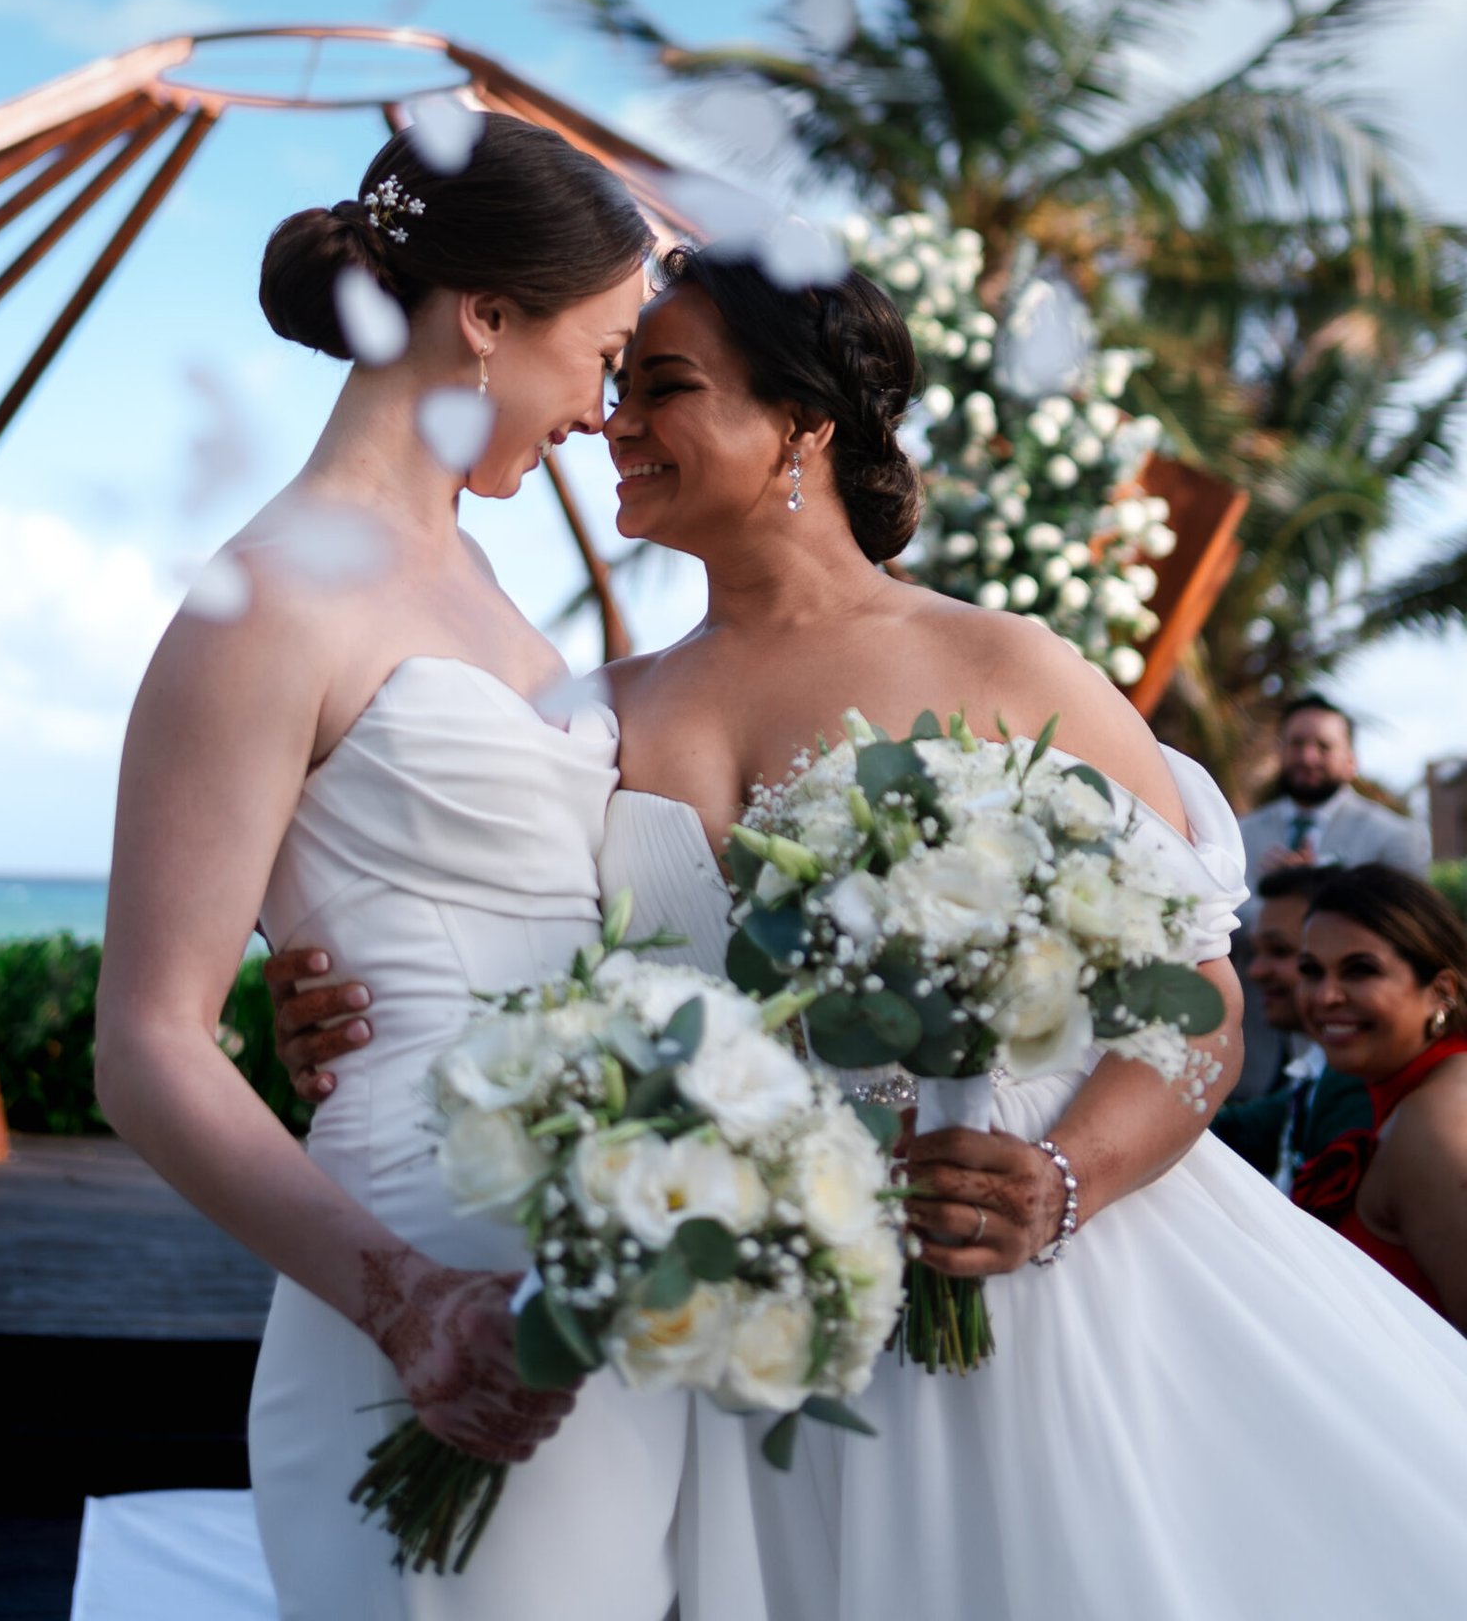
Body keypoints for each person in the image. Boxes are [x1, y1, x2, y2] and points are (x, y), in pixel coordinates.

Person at [280, 243, 1467, 1621]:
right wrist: (349, 1001)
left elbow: (1198, 996)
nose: (612, 421)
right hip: (762, 1319)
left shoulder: (1006, 666)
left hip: (1042, 1294)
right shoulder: (591, 715)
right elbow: (514, 947)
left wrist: (1062, 1179)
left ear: (802, 421)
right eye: (618, 384)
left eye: (664, 386)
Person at [95, 115, 682, 1621]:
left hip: (589, 1249)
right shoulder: (268, 597)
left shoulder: (478, 577)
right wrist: (406, 1301)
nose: (601, 409)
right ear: (484, 318)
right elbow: (147, 1046)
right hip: (421, 1270)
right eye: (602, 355)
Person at [1292, 864, 1467, 1326]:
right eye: (1311, 971)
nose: (1325, 996)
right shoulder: (1417, 1092)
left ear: (1440, 992)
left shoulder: (1438, 1120)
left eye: (1360, 970)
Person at [1234, 694, 1431, 1093]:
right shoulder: (1238, 831)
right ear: (1280, 752)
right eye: (1296, 743)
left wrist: (1315, 892)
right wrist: (1281, 903)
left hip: (1344, 1048)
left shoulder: (1396, 836)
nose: (1307, 757)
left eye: (1323, 746)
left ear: (1351, 760)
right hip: (1250, 1045)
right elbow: (1212, 919)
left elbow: (1403, 936)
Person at [1211, 864, 1372, 1188]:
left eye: (1280, 951)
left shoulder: (1357, 1081)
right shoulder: (1319, 1070)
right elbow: (1234, 1130)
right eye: (1255, 952)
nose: (1255, 971)